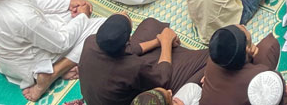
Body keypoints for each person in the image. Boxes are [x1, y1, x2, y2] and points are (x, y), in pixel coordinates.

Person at [77, 15, 208, 105]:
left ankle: (172, 50)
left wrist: (158, 41)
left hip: (101, 94)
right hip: (139, 99)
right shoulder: (132, 67)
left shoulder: (91, 41)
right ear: (127, 40)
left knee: (150, 24)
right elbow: (162, 80)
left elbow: (131, 49)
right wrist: (166, 43)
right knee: (208, 58)